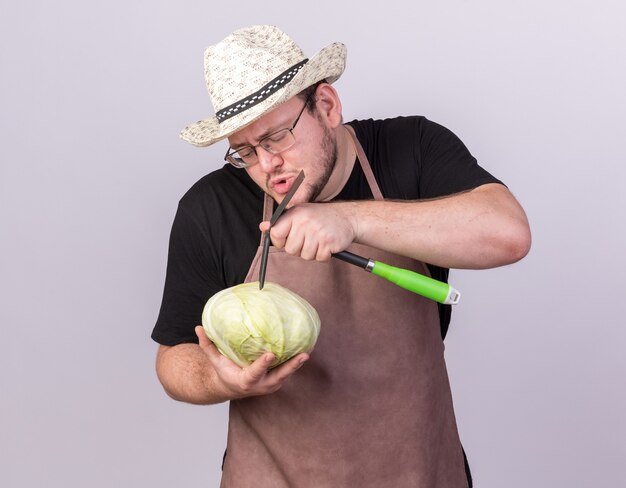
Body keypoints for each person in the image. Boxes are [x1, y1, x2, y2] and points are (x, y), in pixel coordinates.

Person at [152, 25, 531, 488]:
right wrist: (220, 381)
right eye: (245, 152)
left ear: (327, 106)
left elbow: (507, 232)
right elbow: (173, 359)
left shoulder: (411, 148)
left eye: (277, 137)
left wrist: (353, 221)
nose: (267, 165)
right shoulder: (209, 208)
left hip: (419, 473)